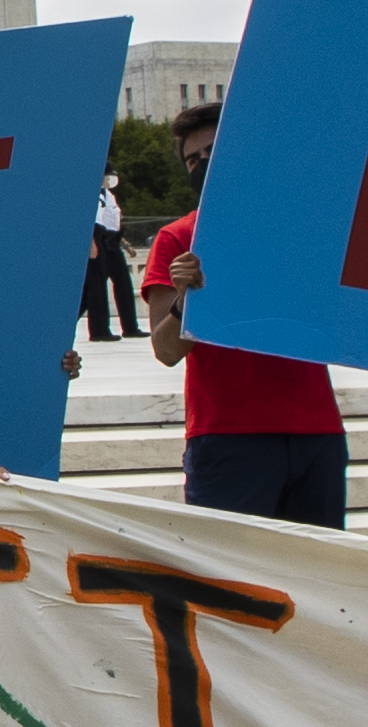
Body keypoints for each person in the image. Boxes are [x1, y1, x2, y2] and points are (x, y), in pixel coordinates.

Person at [138, 215, 349, 528]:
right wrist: (186, 303)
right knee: (226, 570)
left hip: (317, 432)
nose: (201, 164)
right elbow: (166, 350)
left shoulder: (304, 229)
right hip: (230, 434)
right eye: (193, 161)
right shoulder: (180, 237)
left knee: (318, 572)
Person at [82, 170, 138, 343]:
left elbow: (113, 222)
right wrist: (92, 243)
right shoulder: (93, 194)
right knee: (95, 289)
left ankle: (130, 327)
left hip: (113, 241)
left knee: (123, 283)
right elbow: (93, 222)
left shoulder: (110, 196)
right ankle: (99, 330)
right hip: (99, 239)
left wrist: (125, 244)